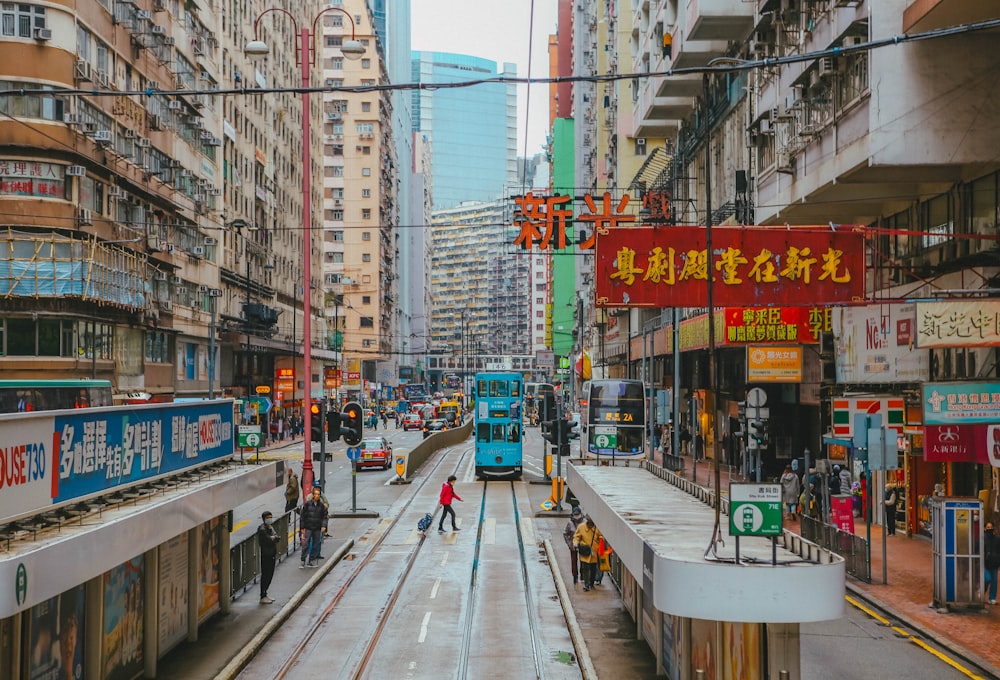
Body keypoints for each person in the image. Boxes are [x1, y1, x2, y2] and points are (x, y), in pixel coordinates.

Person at [297, 486, 328, 567]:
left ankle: (311, 560)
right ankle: (303, 560)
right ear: (313, 495)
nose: (317, 496)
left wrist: (324, 526)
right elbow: (302, 516)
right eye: (316, 494)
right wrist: (302, 528)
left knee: (315, 544)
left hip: (317, 527)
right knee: (306, 544)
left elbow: (324, 517)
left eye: (318, 494)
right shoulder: (307, 504)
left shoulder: (321, 506)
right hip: (308, 527)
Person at [256, 511, 280, 604]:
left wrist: (274, 537)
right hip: (266, 554)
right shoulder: (262, 529)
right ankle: (263, 595)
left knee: (270, 574)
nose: (270, 519)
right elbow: (269, 540)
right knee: (266, 575)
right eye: (268, 518)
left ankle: (265, 594)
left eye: (271, 517)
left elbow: (277, 537)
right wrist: (273, 538)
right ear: (264, 519)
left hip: (271, 553)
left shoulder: (270, 527)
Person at [573, 515, 602, 591]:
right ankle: (586, 584)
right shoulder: (581, 527)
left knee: (593, 568)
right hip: (584, 550)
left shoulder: (598, 528)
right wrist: (576, 543)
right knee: (585, 568)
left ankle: (591, 583)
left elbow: (601, 538)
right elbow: (576, 537)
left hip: (594, 552)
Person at [563, 506, 585, 584]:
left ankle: (583, 576)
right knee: (574, 561)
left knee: (583, 561)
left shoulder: (584, 522)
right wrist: (569, 544)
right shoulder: (570, 523)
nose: (576, 516)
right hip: (573, 546)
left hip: (582, 545)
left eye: (577, 514)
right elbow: (565, 534)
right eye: (575, 514)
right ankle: (575, 576)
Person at [985, 522, 1000, 604]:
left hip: (994, 563)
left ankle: (992, 598)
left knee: (994, 581)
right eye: (988, 527)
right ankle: (982, 591)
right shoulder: (983, 538)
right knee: (987, 579)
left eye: (991, 527)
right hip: (985, 563)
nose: (989, 529)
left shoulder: (997, 539)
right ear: (985, 528)